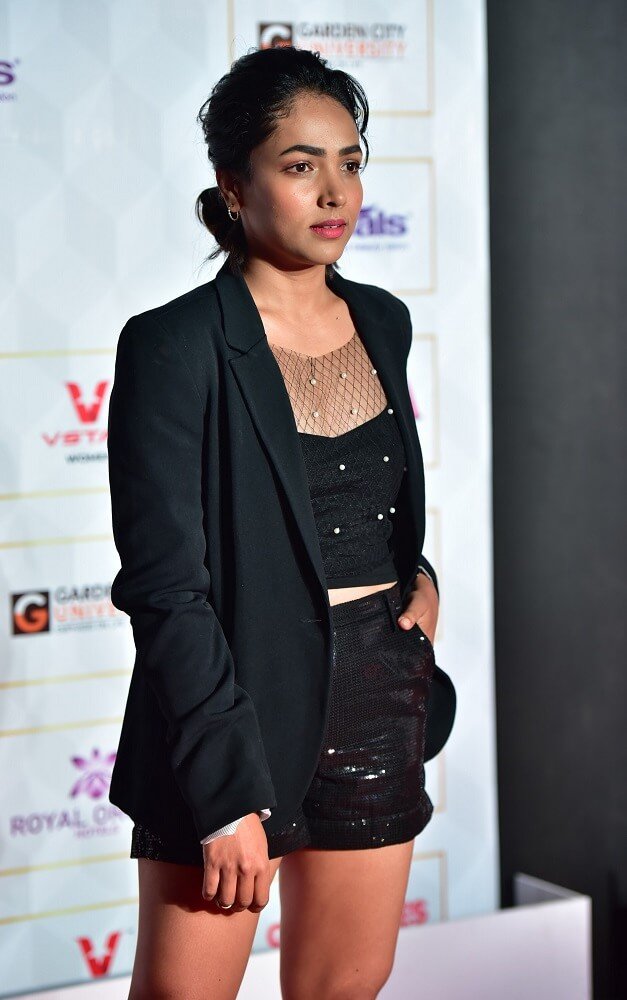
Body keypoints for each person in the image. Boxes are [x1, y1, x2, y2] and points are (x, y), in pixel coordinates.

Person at [107, 45, 454, 1000]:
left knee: (344, 986)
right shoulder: (174, 345)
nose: (334, 192)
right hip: (233, 704)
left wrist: (421, 581)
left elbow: (368, 500)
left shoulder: (383, 319)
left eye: (350, 162)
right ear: (234, 185)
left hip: (376, 695)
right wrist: (223, 794)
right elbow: (164, 587)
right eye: (301, 166)